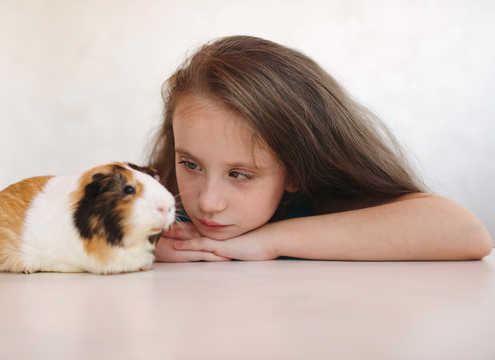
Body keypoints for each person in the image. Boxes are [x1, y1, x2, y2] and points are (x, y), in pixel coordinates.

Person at [147, 35, 492, 262]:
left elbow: (468, 233)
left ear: (296, 170)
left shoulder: (327, 202)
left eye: (239, 174)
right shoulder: (162, 206)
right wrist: (142, 250)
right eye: (191, 165)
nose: (207, 202)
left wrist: (269, 241)